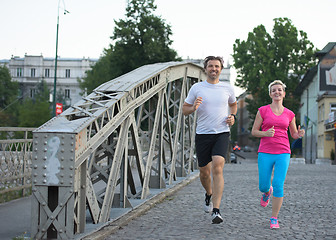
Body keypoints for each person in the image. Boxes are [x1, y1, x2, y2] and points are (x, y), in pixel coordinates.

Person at [182, 56, 237, 224]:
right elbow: (185, 110)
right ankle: (208, 194)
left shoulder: (227, 88)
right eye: (211, 66)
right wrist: (193, 107)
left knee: (218, 166)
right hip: (203, 134)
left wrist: (232, 116)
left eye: (217, 66)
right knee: (204, 172)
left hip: (222, 132)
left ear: (221, 69)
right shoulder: (197, 88)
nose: (214, 69)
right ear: (205, 69)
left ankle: (216, 210)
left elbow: (233, 104)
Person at [251, 80, 305, 229]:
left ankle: (274, 218)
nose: (277, 92)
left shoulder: (290, 114)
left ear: (284, 93)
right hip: (265, 151)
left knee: (278, 184)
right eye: (274, 90)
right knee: (263, 185)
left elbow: (293, 134)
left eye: (279, 90)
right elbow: (254, 131)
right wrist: (265, 133)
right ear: (270, 94)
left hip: (283, 152)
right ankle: (267, 192)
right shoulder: (262, 110)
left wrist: (298, 134)